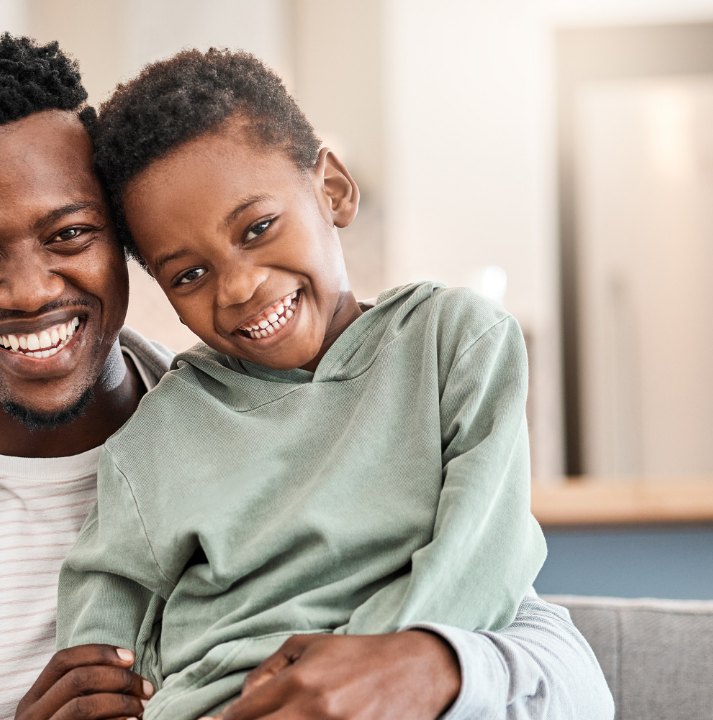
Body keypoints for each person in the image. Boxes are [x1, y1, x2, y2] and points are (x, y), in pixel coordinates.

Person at [0, 34, 614, 720]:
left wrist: (429, 665)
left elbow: (562, 670)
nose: (30, 290)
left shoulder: (339, 400)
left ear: (123, 244)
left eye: (70, 234)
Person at [55, 48, 547, 720]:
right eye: (189, 274)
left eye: (258, 228)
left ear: (333, 191)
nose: (239, 286)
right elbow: (102, 627)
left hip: (395, 695)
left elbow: (482, 561)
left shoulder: (453, 342)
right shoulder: (158, 435)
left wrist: (366, 672)